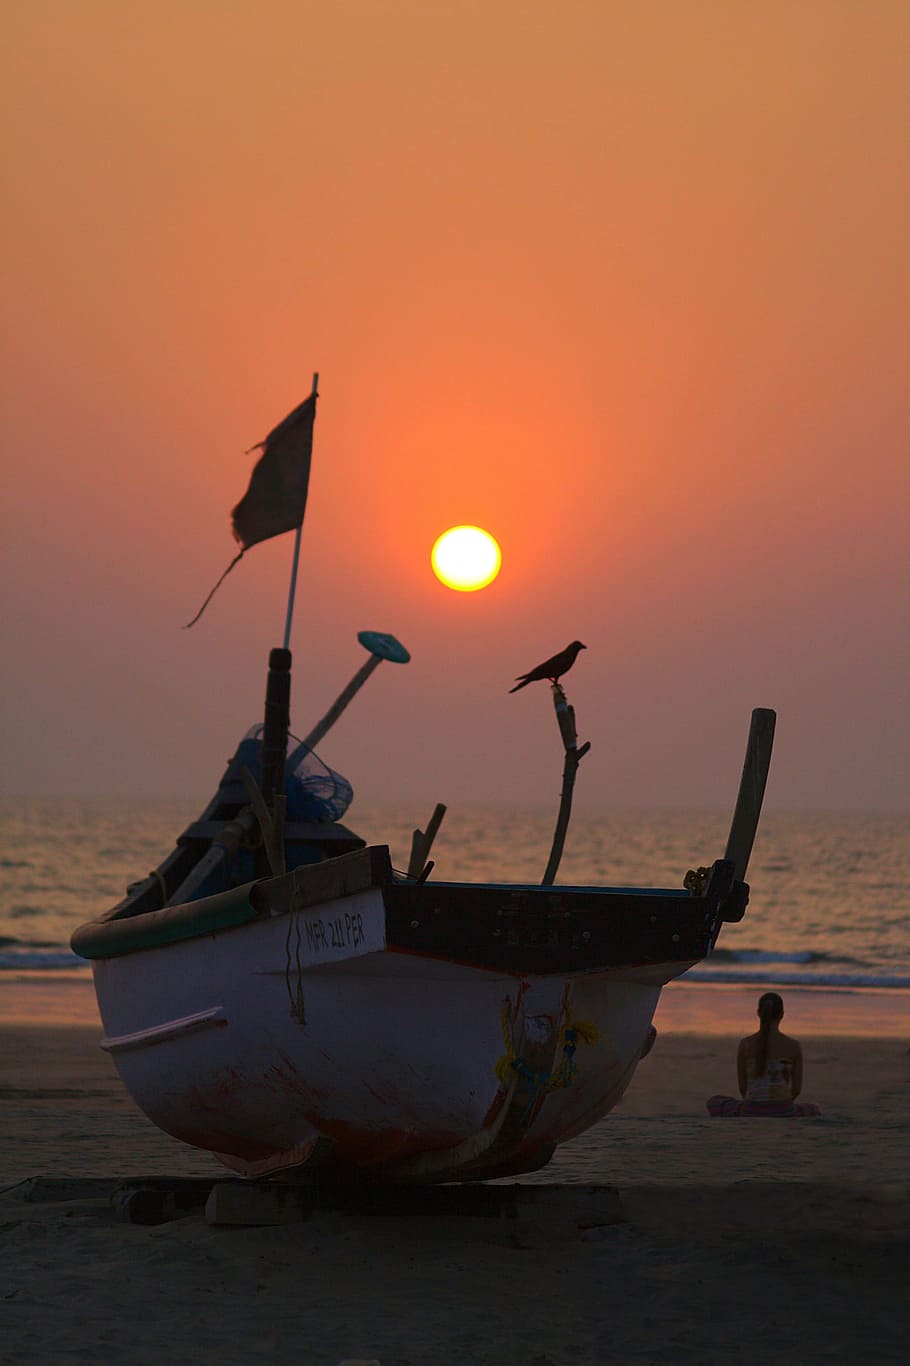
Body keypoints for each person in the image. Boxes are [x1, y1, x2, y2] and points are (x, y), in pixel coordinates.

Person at [707, 991, 822, 1116]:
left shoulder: (745, 1044)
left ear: (758, 1013)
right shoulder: (793, 1046)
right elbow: (796, 1090)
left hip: (751, 1108)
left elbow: (743, 1087)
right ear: (782, 1015)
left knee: (714, 1102)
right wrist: (781, 1105)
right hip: (784, 1108)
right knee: (814, 1108)